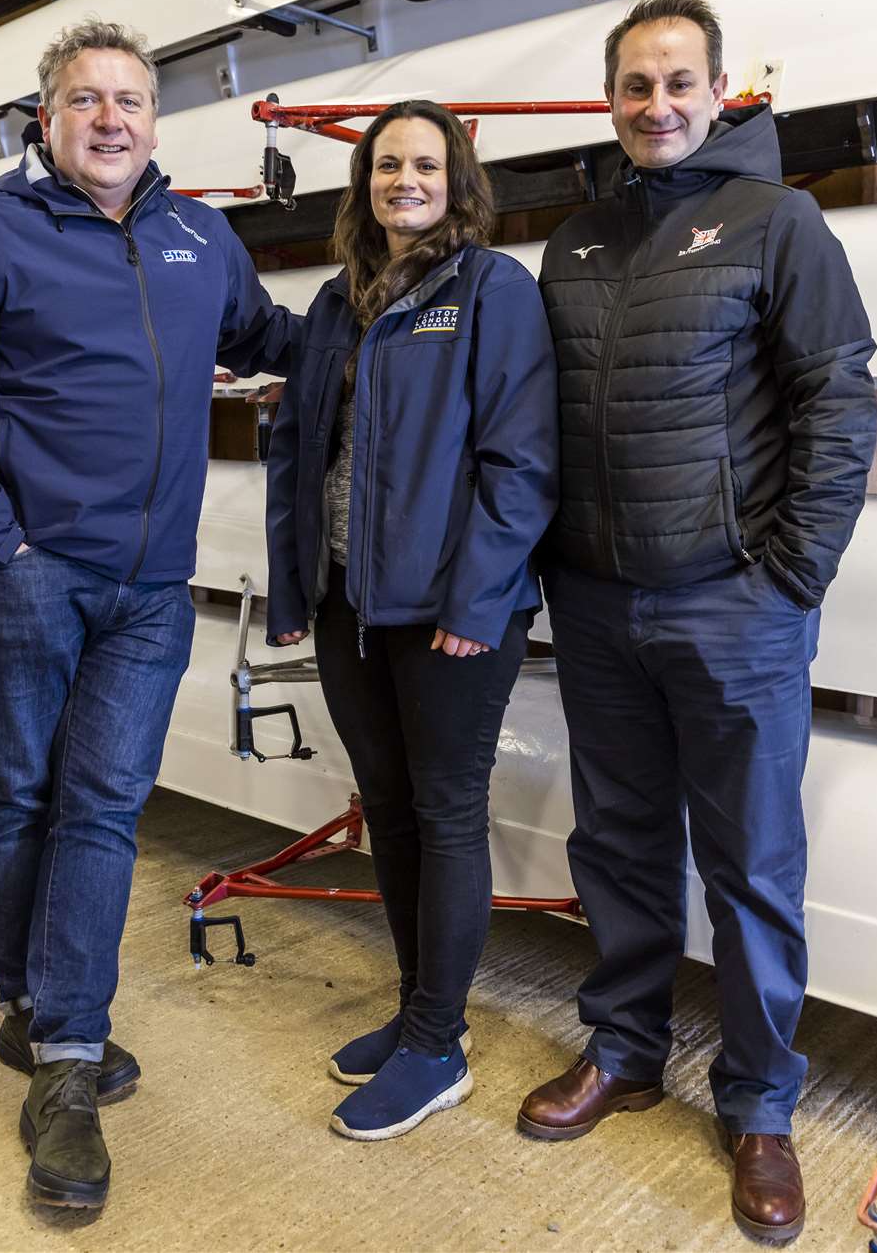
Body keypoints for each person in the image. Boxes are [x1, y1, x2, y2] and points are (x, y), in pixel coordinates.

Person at [0, 20, 297, 1209]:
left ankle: (63, 1046)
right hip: (28, 573)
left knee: (103, 805)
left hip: (148, 590)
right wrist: (2, 545)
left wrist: (412, 331)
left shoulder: (194, 238)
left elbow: (272, 343)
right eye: (85, 100)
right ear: (45, 120)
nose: (112, 119)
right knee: (21, 790)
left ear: (155, 121)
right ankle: (36, 1012)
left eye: (131, 100)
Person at [517, 0, 877, 1244]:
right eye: (634, 85)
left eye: (678, 82)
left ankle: (761, 1103)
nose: (657, 105)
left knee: (751, 866)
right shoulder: (572, 242)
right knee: (616, 844)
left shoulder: (779, 222)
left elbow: (841, 402)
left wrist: (790, 574)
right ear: (611, 101)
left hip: (736, 606)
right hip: (599, 603)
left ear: (718, 92)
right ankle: (622, 1053)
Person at [265, 99, 559, 1142]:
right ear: (364, 184)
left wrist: (478, 601)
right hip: (350, 600)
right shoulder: (337, 306)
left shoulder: (492, 291)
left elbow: (521, 465)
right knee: (386, 806)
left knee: (444, 811)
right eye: (386, 165)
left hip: (449, 613)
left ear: (458, 178)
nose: (404, 181)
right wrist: (293, 588)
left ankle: (438, 1044)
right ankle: (415, 1008)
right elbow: (296, 454)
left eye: (424, 164)